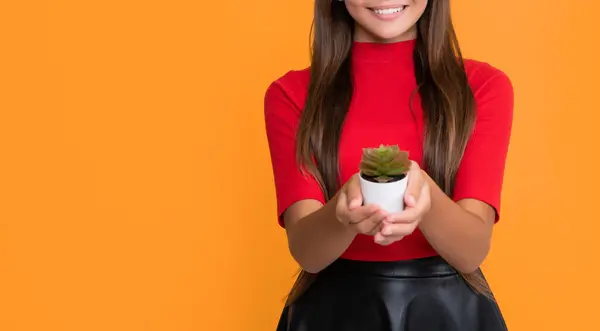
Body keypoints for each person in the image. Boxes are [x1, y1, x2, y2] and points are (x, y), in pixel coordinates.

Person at [263, 0, 513, 330]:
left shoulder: (482, 87)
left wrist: (426, 199)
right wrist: (343, 212)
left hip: (448, 314)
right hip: (333, 316)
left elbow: (471, 251)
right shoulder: (292, 95)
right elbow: (307, 252)